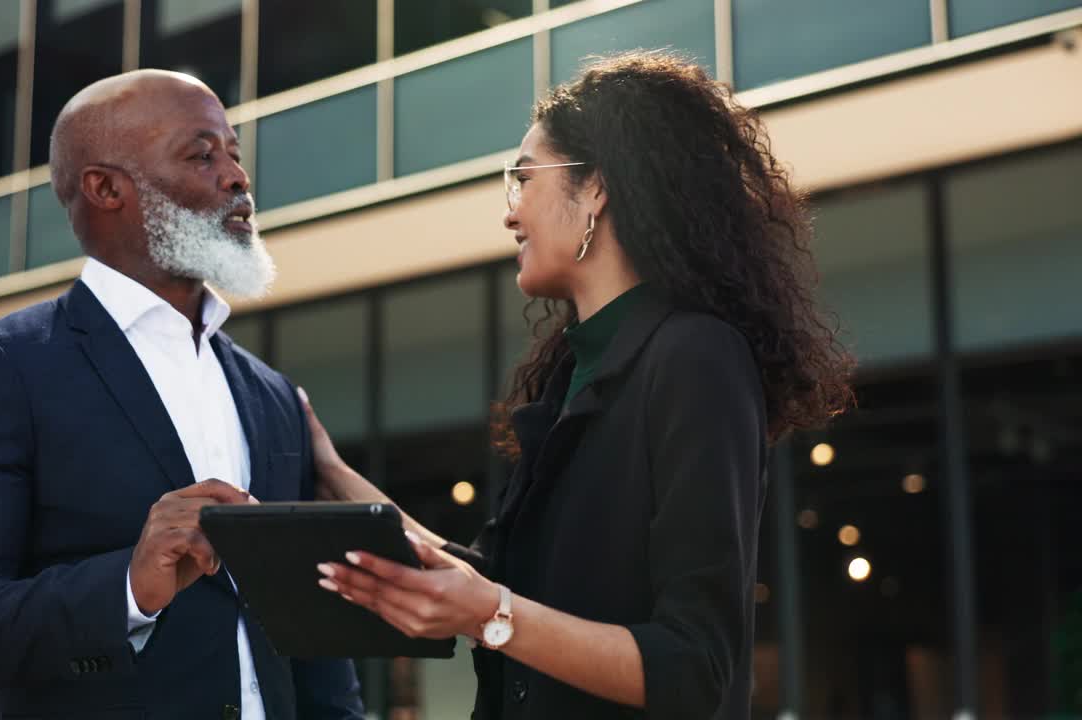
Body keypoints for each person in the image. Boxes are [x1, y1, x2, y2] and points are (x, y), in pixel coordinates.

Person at [301, 51, 854, 719]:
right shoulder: (573, 370)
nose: (510, 214)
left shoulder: (696, 357)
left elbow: (698, 671)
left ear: (596, 187)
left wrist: (494, 616)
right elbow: (491, 583)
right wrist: (332, 474)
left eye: (523, 179)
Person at [0, 70, 364, 720]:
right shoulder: (2, 365)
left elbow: (312, 639)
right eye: (202, 154)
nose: (236, 177)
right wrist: (128, 587)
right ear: (106, 188)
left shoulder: (273, 395)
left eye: (234, 152)